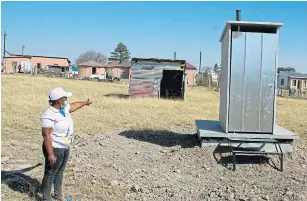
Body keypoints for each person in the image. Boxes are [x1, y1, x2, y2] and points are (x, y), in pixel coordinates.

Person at [40, 87, 92, 201]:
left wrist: (86, 102)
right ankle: (45, 198)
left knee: (59, 172)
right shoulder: (49, 114)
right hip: (54, 148)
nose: (67, 99)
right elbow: (46, 136)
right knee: (50, 173)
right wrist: (50, 154)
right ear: (59, 100)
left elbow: (74, 105)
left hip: (65, 146)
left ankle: (58, 195)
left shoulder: (63, 109)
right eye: (65, 97)